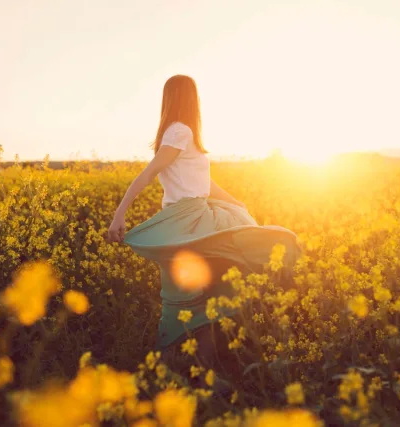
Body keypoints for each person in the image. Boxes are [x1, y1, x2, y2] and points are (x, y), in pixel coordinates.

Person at [107, 74, 300, 378]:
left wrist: (237, 203)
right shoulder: (180, 131)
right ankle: (170, 374)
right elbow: (147, 174)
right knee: (188, 299)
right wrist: (120, 213)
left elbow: (203, 183)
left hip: (192, 219)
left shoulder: (181, 135)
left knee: (200, 298)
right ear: (190, 99)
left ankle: (202, 374)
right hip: (188, 222)